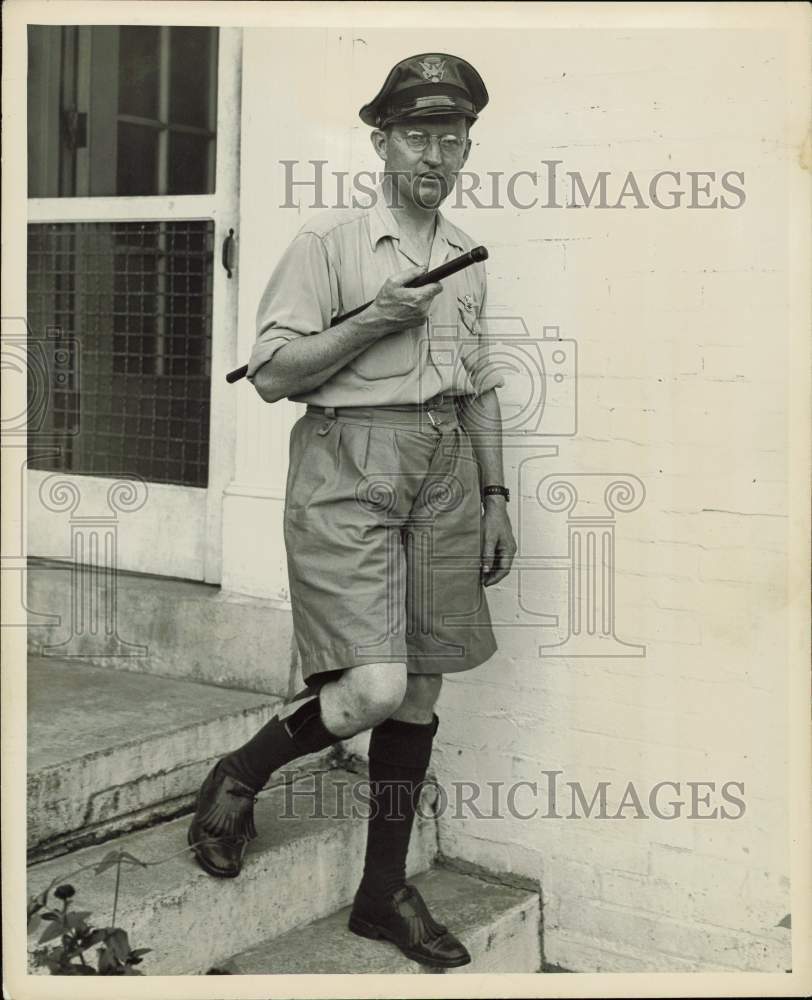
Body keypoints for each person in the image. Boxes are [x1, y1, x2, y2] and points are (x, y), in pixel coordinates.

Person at [187, 52, 517, 969]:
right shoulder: (326, 247)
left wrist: (494, 495)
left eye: (452, 137)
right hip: (349, 465)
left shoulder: (466, 257)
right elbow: (274, 377)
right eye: (418, 134)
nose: (436, 153)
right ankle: (244, 770)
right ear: (380, 140)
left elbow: (479, 386)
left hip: (447, 470)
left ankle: (382, 893)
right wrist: (374, 319)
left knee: (420, 684)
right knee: (371, 687)